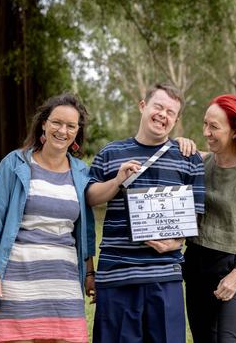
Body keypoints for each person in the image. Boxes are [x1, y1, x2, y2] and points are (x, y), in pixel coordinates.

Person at [0, 93, 96, 343]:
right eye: (56, 122)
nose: (63, 130)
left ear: (77, 131)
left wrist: (90, 273)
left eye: (71, 125)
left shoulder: (82, 172)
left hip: (64, 280)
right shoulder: (16, 163)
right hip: (17, 277)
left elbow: (86, 228)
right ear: (43, 123)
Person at [86, 83, 205, 343]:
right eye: (158, 106)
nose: (163, 115)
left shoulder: (189, 158)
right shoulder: (110, 153)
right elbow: (90, 197)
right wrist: (117, 180)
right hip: (117, 274)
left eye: (170, 112)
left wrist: (178, 241)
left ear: (176, 119)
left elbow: (195, 214)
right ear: (143, 106)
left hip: (165, 275)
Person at [183, 94, 236, 343]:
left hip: (230, 266)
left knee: (228, 339)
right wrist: (180, 141)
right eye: (205, 124)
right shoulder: (203, 161)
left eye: (214, 126)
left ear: (234, 131)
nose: (206, 132)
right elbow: (174, 152)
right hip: (196, 262)